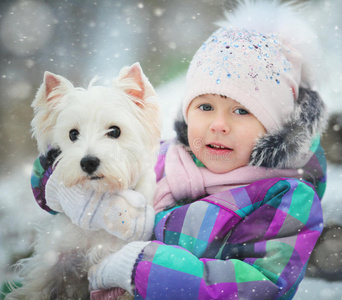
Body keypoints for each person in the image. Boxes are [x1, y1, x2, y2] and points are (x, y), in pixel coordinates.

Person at [30, 1, 328, 299]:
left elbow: (261, 287)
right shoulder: (163, 159)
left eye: (241, 111)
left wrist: (139, 267)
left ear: (275, 125)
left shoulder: (286, 198)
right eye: (206, 106)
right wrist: (54, 182)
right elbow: (73, 173)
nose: (218, 124)